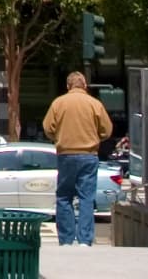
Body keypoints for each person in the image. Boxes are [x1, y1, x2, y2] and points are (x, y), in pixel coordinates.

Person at [43, 70, 113, 247]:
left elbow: (48, 128)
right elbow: (107, 130)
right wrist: (95, 137)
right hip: (89, 155)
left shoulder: (58, 103)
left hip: (66, 155)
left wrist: (59, 136)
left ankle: (66, 239)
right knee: (86, 197)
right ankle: (84, 239)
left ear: (68, 86)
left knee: (64, 196)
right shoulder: (94, 104)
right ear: (85, 85)